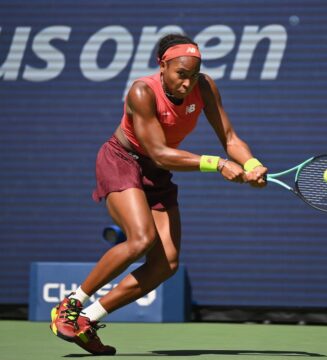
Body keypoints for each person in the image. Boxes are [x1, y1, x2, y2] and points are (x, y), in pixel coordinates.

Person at [49, 33, 268, 355]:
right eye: (181, 74)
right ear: (162, 66)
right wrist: (218, 165)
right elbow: (161, 152)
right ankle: (70, 305)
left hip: (156, 173)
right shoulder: (141, 91)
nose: (187, 83)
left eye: (193, 75)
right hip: (122, 161)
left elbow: (231, 137)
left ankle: (87, 320)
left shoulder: (204, 87)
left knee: (166, 263)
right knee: (140, 239)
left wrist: (252, 163)